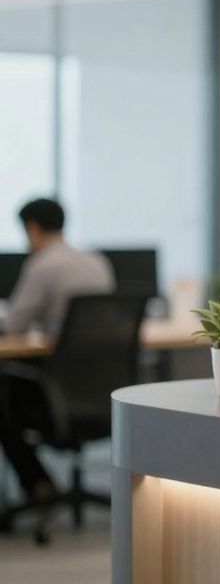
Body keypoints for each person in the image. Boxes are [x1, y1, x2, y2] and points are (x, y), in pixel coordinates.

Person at [0, 198, 115, 502]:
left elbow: (13, 324)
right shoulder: (96, 261)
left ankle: (37, 484)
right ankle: (40, 483)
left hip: (55, 394)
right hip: (102, 391)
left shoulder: (42, 265)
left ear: (32, 228)